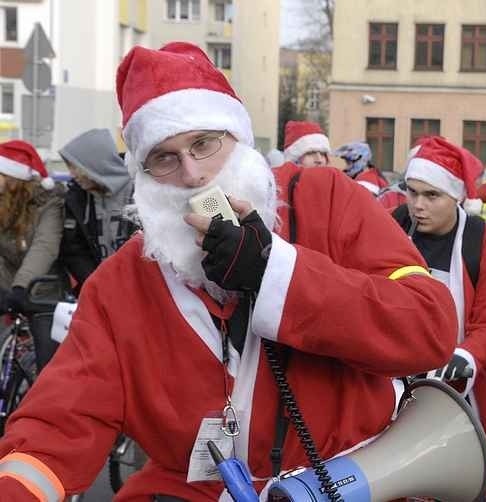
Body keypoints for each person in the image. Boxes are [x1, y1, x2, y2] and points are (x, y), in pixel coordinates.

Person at [0, 42, 457, 501]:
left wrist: (274, 274)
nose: (194, 175)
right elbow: (59, 423)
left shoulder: (326, 201)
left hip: (349, 483)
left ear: (236, 136)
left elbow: (429, 327)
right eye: (165, 157)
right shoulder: (122, 284)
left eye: (203, 143)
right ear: (143, 175)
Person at [392, 136, 486, 501]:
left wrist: (466, 357)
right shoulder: (393, 228)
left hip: (463, 390)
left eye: (432, 196)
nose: (418, 205)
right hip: (391, 385)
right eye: (412, 193)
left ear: (457, 197)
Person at [58, 128, 136, 295]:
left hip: (142, 288)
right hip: (101, 289)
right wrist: (96, 282)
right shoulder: (77, 198)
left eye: (75, 166)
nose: (72, 174)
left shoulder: (141, 189)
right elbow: (74, 249)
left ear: (94, 163)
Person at [0, 140, 62, 312]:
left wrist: (21, 286)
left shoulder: (49, 202)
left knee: (40, 337)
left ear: (12, 177)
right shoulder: (2, 201)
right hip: (6, 288)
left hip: (41, 291)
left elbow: (44, 247)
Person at [333, 140, 403, 209]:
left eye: (348, 163)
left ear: (359, 160)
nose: (346, 167)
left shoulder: (365, 183)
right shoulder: (374, 175)